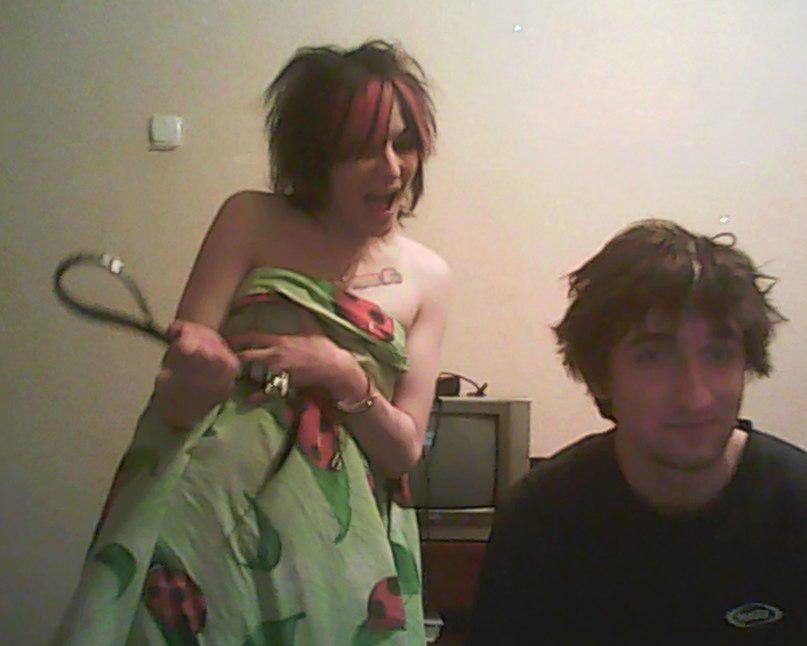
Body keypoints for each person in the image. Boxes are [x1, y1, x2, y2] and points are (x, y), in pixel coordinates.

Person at [56, 40, 450, 645]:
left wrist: (342, 372)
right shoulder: (250, 219)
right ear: (316, 157)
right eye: (361, 150)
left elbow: (402, 453)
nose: (392, 168)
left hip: (338, 558)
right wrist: (202, 375)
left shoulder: (429, 276)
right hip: (203, 531)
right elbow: (178, 394)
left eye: (404, 143)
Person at [469, 220, 806, 643]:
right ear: (600, 374)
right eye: (653, 357)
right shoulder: (541, 519)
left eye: (718, 355)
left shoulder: (797, 505)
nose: (696, 397)